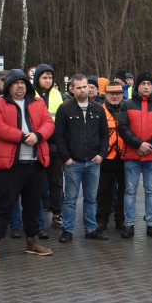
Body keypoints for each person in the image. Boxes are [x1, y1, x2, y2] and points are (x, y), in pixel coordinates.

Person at [0, 69, 54, 260]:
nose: (20, 86)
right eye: (16, 83)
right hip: (10, 165)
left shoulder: (38, 102)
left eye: (23, 82)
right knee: (3, 205)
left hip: (35, 163)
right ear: (8, 86)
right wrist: (23, 137)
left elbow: (49, 123)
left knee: (32, 206)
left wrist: (38, 135)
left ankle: (32, 241)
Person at [51, 74, 106, 242]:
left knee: (91, 198)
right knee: (70, 199)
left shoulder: (98, 108)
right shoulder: (65, 109)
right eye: (80, 87)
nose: (84, 90)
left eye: (86, 86)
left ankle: (91, 229)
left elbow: (105, 135)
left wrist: (101, 155)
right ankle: (67, 230)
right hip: (73, 162)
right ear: (72, 89)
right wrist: (66, 158)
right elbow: (58, 136)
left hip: (93, 162)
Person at [117, 71, 152, 238]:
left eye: (149, 84)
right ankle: (129, 224)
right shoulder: (127, 104)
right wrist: (139, 143)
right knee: (130, 190)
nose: (146, 87)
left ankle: (151, 224)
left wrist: (150, 145)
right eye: (142, 84)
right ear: (137, 86)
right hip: (132, 154)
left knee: (151, 190)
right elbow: (123, 128)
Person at [33, 64, 65, 228]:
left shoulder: (60, 95)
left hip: (54, 145)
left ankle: (57, 213)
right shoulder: (29, 94)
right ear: (37, 78)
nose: (48, 80)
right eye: (44, 77)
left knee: (56, 182)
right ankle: (35, 216)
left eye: (50, 77)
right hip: (35, 144)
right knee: (35, 182)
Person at [97, 81, 127, 232]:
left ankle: (121, 220)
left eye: (118, 93)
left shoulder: (128, 109)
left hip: (125, 157)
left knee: (124, 192)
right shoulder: (99, 110)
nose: (115, 96)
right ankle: (102, 220)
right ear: (106, 95)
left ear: (122, 94)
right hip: (105, 158)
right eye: (112, 93)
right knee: (104, 192)